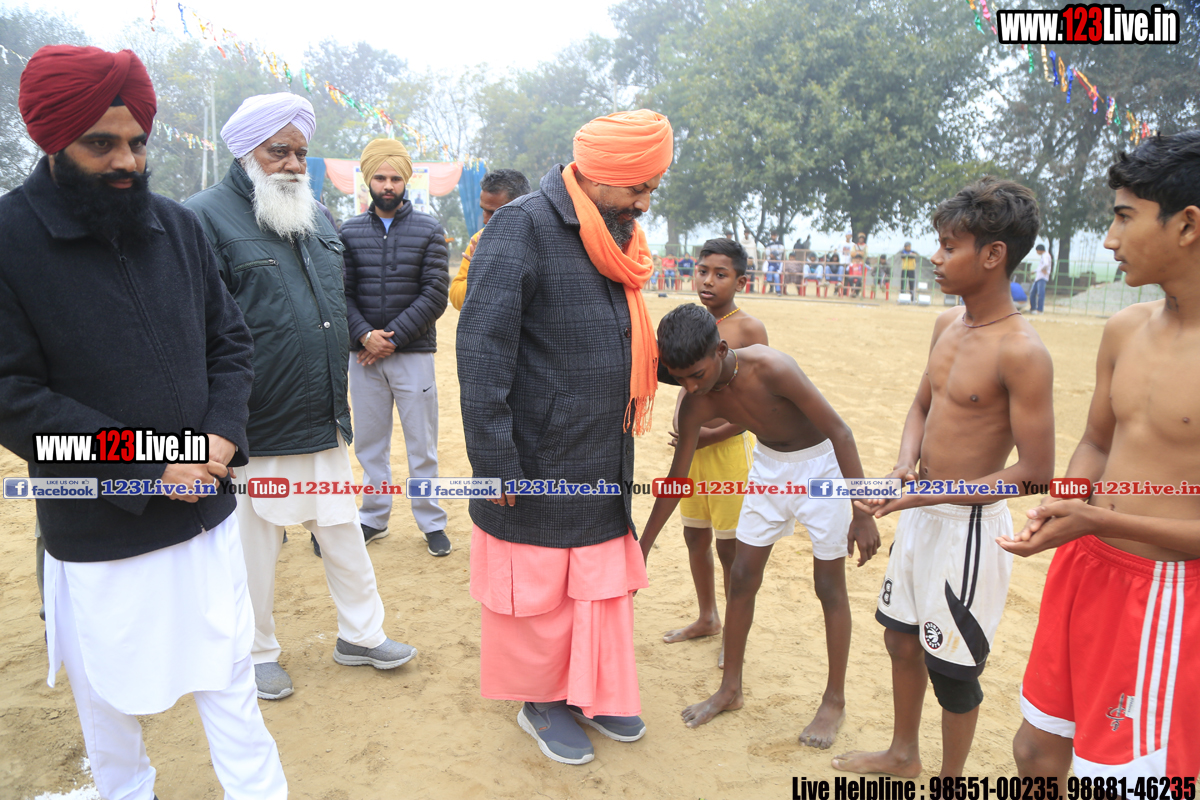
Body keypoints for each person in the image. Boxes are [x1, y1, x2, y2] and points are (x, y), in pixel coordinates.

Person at [0, 45, 286, 797]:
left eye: (137, 142)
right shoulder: (9, 240)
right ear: (52, 139)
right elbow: (13, 394)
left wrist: (221, 434)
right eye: (102, 143)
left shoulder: (176, 226)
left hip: (207, 510)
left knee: (231, 680)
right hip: (100, 526)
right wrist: (152, 460)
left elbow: (230, 343)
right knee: (109, 700)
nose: (127, 160)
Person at [457, 109, 673, 765]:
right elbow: (482, 349)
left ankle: (592, 691)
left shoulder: (617, 234)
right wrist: (495, 462)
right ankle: (542, 701)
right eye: (638, 187)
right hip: (536, 451)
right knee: (542, 585)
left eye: (651, 188)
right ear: (600, 175)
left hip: (603, 448)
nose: (644, 202)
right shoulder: (520, 226)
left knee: (596, 581)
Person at [185, 93, 415, 703]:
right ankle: (255, 652)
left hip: (321, 412)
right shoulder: (203, 218)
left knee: (341, 530)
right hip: (251, 424)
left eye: (300, 153)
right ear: (245, 152)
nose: (291, 164)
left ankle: (362, 635)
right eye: (278, 151)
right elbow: (197, 332)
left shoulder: (314, 215)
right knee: (253, 548)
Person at [832, 177, 1055, 778]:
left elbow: (1035, 472)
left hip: (969, 530)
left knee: (952, 670)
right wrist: (905, 465)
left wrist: (926, 494)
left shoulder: (1022, 351)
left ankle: (949, 782)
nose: (935, 257)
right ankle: (903, 754)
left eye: (949, 246)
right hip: (921, 512)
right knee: (900, 638)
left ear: (993, 255)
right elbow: (921, 405)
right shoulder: (946, 325)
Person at [1003, 132, 1200, 783]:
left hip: (1164, 592)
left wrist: (1099, 519)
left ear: (1187, 225)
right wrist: (1067, 502)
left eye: (1123, 217)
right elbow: (1096, 440)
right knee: (1035, 752)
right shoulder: (1124, 329)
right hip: (1084, 565)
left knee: (1121, 780)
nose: (1110, 240)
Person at [640, 305, 880, 748]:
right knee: (742, 575)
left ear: (721, 350)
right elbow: (677, 479)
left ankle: (834, 701)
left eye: (696, 375)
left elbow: (841, 432)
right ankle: (730, 690)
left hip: (821, 469)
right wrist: (642, 547)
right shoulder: (696, 401)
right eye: (680, 379)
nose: (690, 387)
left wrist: (862, 511)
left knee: (828, 586)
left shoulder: (773, 368)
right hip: (769, 470)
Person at [340, 138, 452, 556]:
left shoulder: (429, 230)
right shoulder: (348, 232)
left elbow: (435, 293)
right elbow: (341, 292)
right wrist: (364, 335)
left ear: (406, 182)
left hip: (413, 354)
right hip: (363, 356)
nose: (388, 185)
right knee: (370, 445)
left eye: (395, 178)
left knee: (422, 445)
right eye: (380, 178)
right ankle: (373, 517)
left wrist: (390, 339)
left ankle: (431, 521)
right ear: (368, 181)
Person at [662, 239, 767, 666]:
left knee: (730, 548)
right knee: (694, 535)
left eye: (720, 274)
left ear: (740, 282)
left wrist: (710, 436)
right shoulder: (691, 323)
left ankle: (734, 633)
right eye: (703, 271)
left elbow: (758, 408)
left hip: (728, 454)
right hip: (692, 453)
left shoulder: (749, 330)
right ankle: (708, 617)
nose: (708, 281)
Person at [450, 168, 531, 311]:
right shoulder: (479, 240)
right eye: (483, 210)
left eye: (494, 212)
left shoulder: (540, 240)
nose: (485, 220)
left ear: (522, 206)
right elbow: (457, 299)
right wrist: (479, 270)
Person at [1031, 243, 1051, 314]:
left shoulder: (1046, 255)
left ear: (1039, 250)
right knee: (1033, 293)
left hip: (1042, 277)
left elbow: (1046, 264)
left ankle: (1039, 310)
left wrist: (1042, 269)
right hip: (1039, 277)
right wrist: (1035, 271)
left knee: (1040, 294)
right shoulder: (1043, 256)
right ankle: (1033, 309)